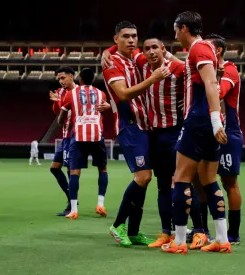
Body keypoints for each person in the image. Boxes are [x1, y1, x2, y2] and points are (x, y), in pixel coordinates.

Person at [161, 11, 231, 255]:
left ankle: (179, 241)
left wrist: (213, 120)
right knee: (209, 179)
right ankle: (221, 239)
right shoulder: (206, 49)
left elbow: (211, 84)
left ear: (183, 28)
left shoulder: (198, 48)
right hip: (207, 120)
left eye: (175, 30)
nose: (175, 34)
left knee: (180, 177)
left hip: (200, 120)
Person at [102, 21, 170, 247]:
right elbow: (122, 94)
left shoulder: (136, 59)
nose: (131, 40)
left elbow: (158, 55)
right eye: (125, 36)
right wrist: (152, 79)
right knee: (143, 177)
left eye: (134, 36)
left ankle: (133, 231)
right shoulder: (112, 62)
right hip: (129, 126)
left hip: (146, 125)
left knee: (145, 180)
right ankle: (118, 225)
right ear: (116, 39)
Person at [205, 33, 243, 245]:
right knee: (201, 180)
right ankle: (202, 229)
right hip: (207, 131)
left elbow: (219, 93)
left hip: (228, 132)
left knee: (229, 182)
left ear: (217, 50)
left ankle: (233, 233)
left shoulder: (229, 69)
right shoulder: (206, 69)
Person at [58, 68, 111, 219]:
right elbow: (105, 108)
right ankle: (100, 204)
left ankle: (74, 210)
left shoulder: (71, 94)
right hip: (97, 135)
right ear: (93, 80)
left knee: (75, 172)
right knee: (102, 169)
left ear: (79, 79)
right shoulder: (101, 94)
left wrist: (61, 121)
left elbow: (62, 116)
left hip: (79, 136)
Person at [49, 67, 76, 216]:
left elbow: (71, 112)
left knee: (70, 169)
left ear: (71, 77)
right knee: (54, 168)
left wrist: (59, 103)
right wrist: (56, 102)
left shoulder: (78, 92)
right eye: (59, 79)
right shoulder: (60, 93)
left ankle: (72, 205)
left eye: (63, 78)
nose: (61, 81)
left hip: (75, 135)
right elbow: (58, 113)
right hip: (65, 135)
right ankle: (71, 200)